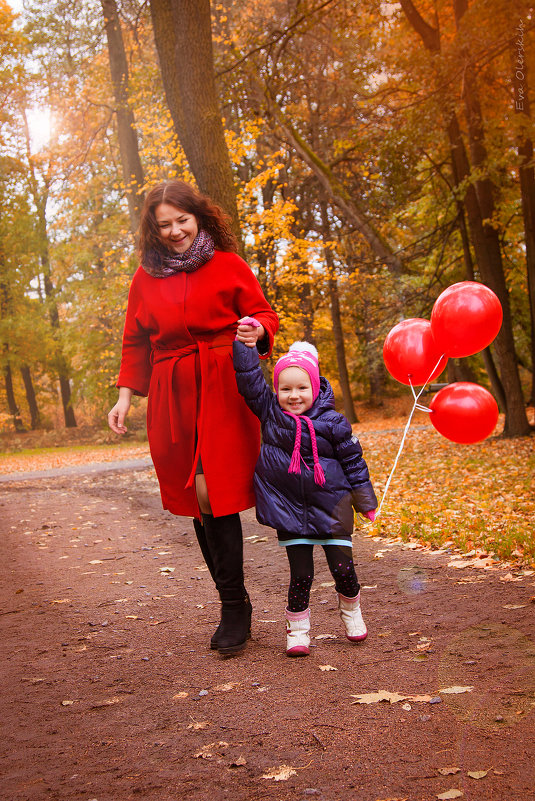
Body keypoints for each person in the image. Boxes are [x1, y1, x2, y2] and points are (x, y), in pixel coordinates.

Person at [108, 180, 279, 656]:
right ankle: (235, 600)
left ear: (198, 216)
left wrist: (255, 329)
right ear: (153, 229)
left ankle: (232, 606)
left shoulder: (228, 264)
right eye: (164, 225)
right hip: (171, 391)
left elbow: (265, 314)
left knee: (213, 488)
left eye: (181, 220)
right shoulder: (145, 278)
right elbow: (134, 342)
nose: (175, 231)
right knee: (197, 496)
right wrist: (125, 398)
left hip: (223, 382)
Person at [233, 336, 377, 657]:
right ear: (276, 391)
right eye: (285, 389)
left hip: (333, 507)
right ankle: (297, 630)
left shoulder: (334, 422)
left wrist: (365, 500)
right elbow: (249, 381)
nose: (294, 395)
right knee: (301, 574)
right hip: (289, 510)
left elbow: (354, 462)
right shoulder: (271, 414)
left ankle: (351, 612)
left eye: (301, 388)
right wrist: (245, 343)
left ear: (314, 387)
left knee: (342, 569)